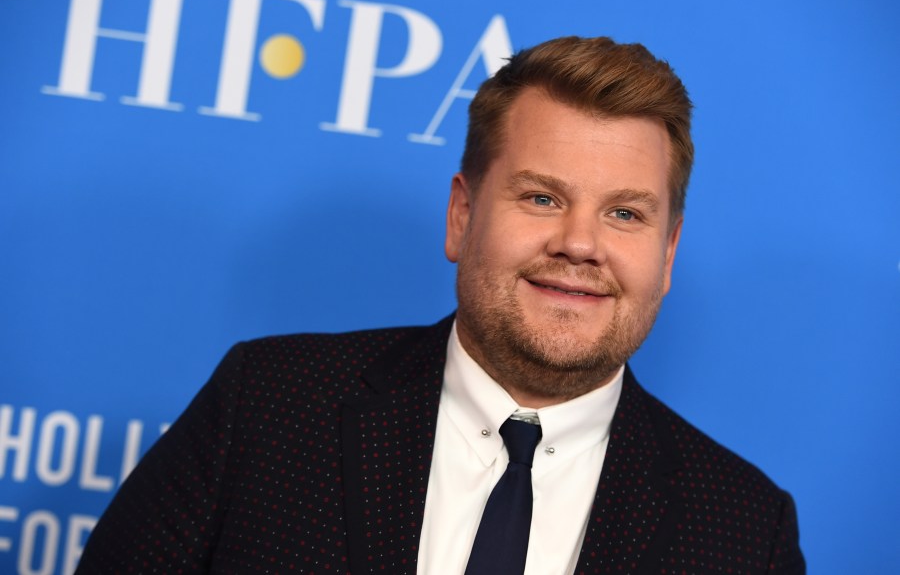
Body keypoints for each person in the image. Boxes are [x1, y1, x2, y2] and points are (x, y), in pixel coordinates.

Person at [76, 36, 805, 574]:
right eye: (542, 197)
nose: (580, 244)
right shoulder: (267, 405)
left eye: (625, 215)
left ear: (667, 253)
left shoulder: (743, 530)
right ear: (462, 216)